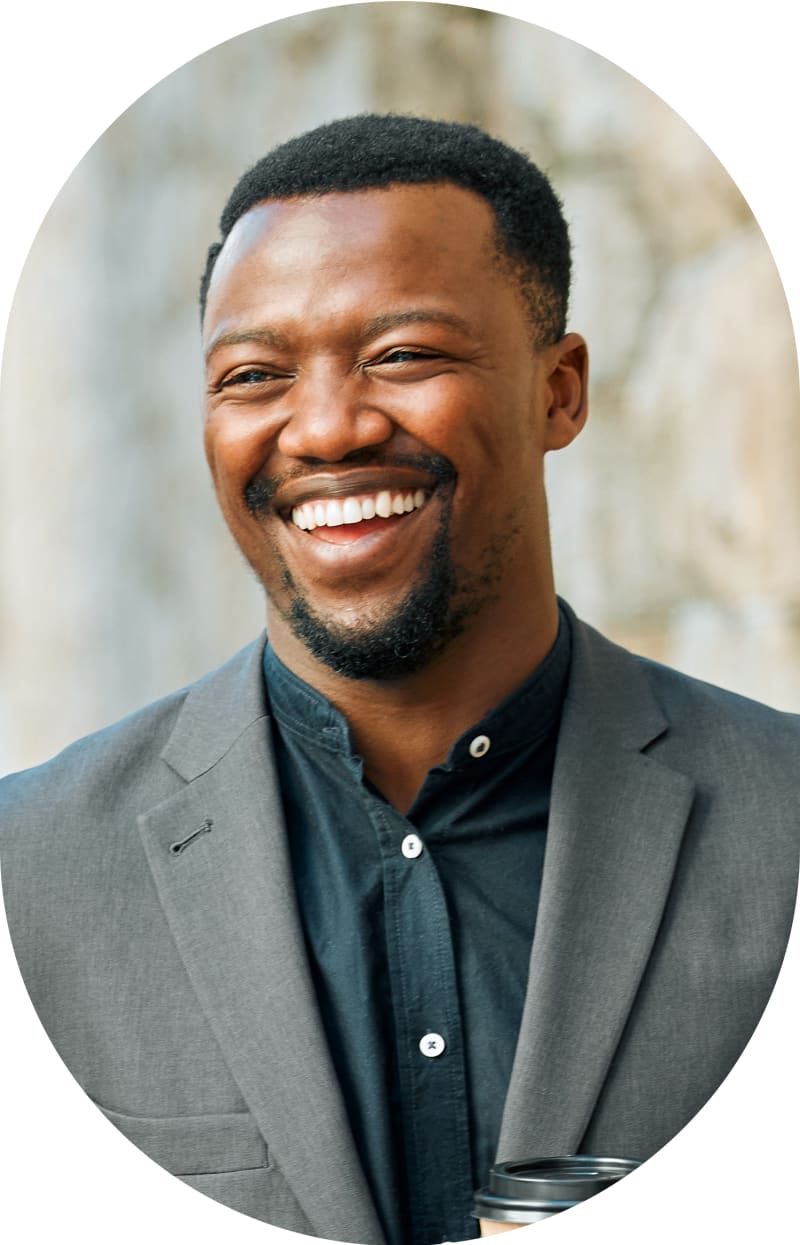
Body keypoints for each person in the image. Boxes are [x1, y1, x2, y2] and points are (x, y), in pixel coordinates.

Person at [1, 114, 797, 1245]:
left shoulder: (781, 820)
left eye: (403, 355)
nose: (324, 428)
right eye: (255, 374)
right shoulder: (30, 875)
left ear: (559, 392)